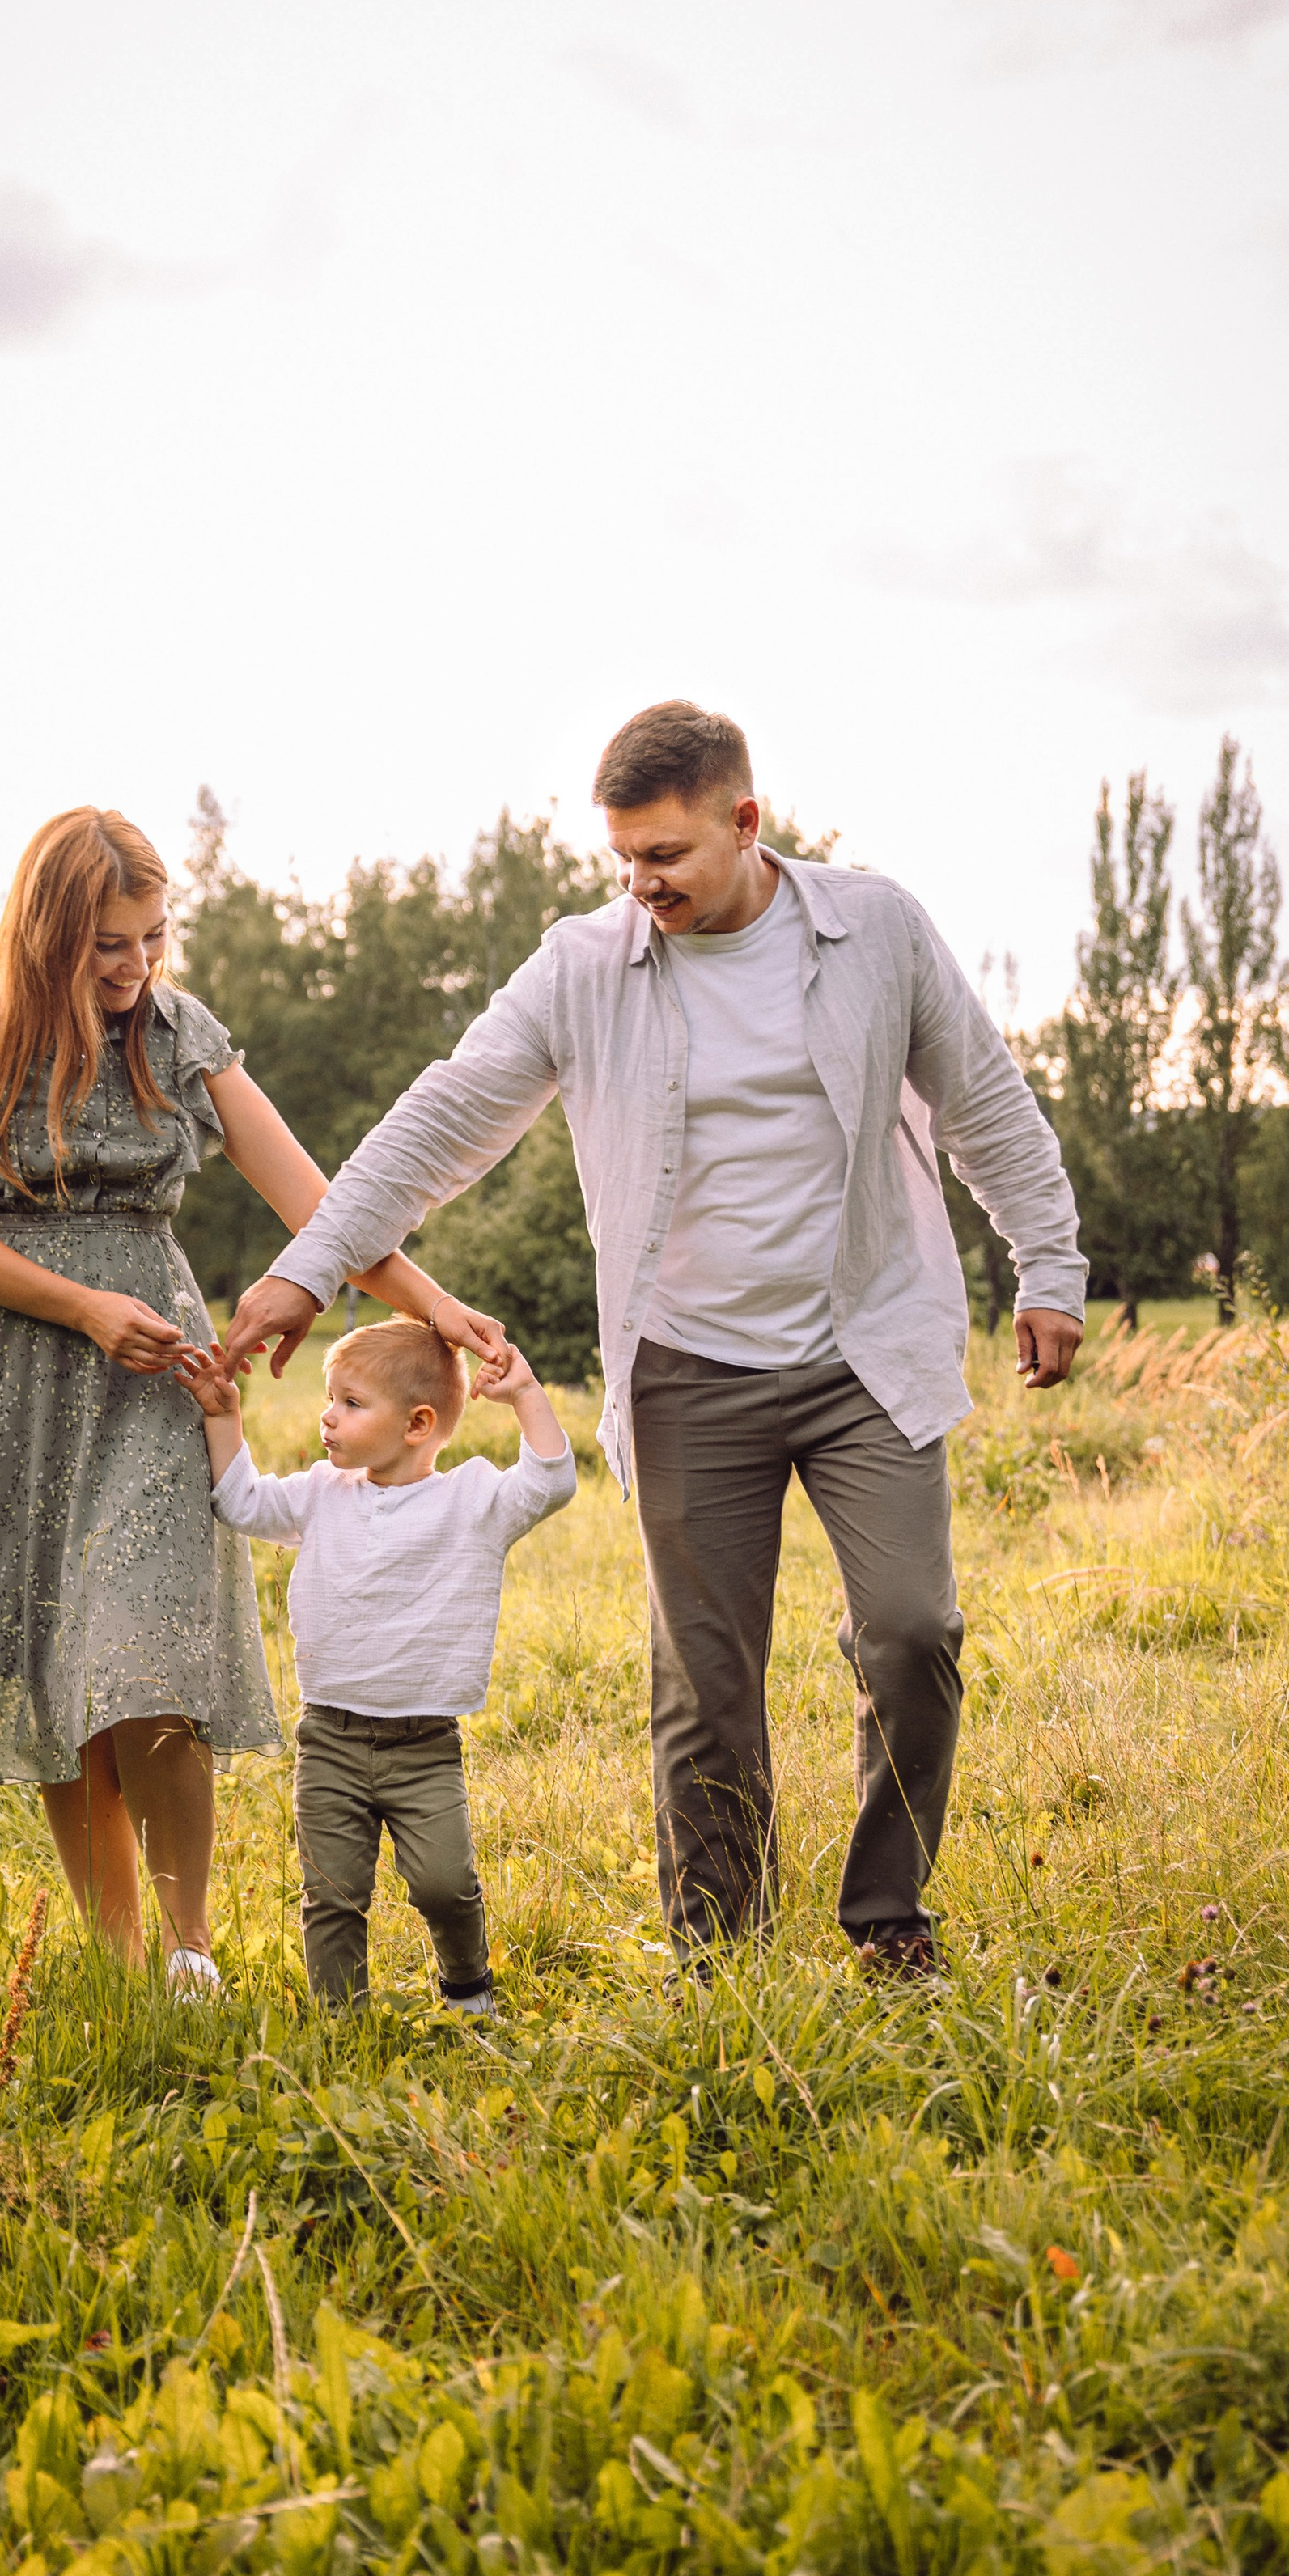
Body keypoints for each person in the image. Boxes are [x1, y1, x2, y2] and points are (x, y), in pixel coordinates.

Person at [223, 702, 1087, 1980]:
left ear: (747, 822)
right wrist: (309, 1266)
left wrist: (1049, 1263)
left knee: (913, 1630)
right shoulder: (583, 965)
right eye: (624, 857)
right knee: (707, 1680)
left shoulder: (877, 930)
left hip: (864, 1352)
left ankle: (887, 1914)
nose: (642, 884)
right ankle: (718, 1950)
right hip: (688, 1365)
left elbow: (986, 1102)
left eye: (667, 854)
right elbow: (440, 1122)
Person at [0, 807, 506, 1994]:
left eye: (152, 937)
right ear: (46, 933)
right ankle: (117, 1964)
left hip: (160, 1376)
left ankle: (188, 1951)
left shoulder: (179, 1033)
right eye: (107, 944)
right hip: (18, 1375)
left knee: (148, 1648)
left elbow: (322, 1207)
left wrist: (438, 1304)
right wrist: (83, 1308)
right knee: (60, 1662)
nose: (135, 964)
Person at [183, 1318, 575, 2010]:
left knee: (444, 1884)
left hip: (424, 1746)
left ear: (418, 1423)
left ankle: (467, 1985)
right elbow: (241, 1501)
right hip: (329, 1739)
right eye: (330, 1398)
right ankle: (340, 2018)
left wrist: (524, 1394)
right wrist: (223, 1415)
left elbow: (550, 1482)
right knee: (332, 1892)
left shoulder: (471, 1500)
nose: (328, 1416)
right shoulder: (320, 1492)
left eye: (352, 1402)